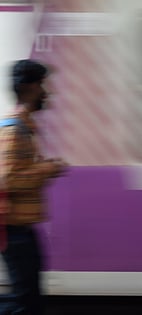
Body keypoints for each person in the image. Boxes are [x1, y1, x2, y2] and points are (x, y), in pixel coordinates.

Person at [0, 59, 67, 315]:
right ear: (28, 87)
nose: (46, 92)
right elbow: (9, 178)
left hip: (21, 227)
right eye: (42, 84)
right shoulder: (15, 129)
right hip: (14, 228)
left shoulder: (24, 127)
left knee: (29, 298)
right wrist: (46, 169)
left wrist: (44, 168)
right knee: (24, 301)